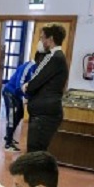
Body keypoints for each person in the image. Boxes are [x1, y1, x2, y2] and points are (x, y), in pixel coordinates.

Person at [23, 24, 68, 152]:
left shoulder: (54, 57)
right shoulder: (53, 57)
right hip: (42, 112)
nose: (41, 41)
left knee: (35, 152)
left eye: (42, 38)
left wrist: (27, 87)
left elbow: (34, 83)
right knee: (36, 151)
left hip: (44, 115)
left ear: (51, 39)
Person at [2, 58, 35, 152]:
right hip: (10, 92)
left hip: (17, 95)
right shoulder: (28, 66)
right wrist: (26, 96)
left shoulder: (35, 68)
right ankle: (8, 144)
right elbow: (19, 84)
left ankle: (9, 135)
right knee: (11, 117)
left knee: (20, 114)